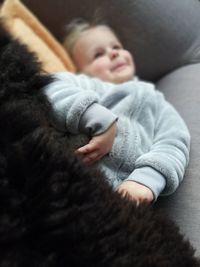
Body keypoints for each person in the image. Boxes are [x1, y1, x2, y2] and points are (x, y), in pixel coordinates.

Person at [43, 19, 190, 204]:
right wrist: (96, 118)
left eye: (116, 46)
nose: (113, 53)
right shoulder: (89, 86)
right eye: (98, 54)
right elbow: (51, 86)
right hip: (66, 179)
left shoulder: (157, 102)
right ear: (82, 71)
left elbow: (174, 142)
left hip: (122, 199)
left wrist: (146, 180)